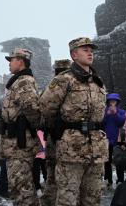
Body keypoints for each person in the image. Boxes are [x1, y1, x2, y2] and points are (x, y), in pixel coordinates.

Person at [40, 37, 108, 206]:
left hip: (97, 150)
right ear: (74, 55)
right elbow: (46, 109)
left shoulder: (98, 81)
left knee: (93, 198)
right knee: (67, 199)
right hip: (72, 150)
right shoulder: (63, 80)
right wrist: (59, 131)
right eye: (85, 49)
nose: (90, 52)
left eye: (91, 50)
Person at [0, 48, 41, 206]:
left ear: (21, 61)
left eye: (12, 60)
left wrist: (26, 128)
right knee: (19, 186)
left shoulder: (23, 81)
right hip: (15, 143)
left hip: (20, 144)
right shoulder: (18, 80)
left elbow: (33, 109)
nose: (9, 63)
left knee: (22, 188)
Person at [41, 59, 72, 206]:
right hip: (69, 138)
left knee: (52, 174)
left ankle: (49, 201)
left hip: (53, 137)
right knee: (67, 175)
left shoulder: (50, 88)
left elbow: (43, 111)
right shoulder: (74, 86)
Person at [103, 93, 126, 187]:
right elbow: (101, 123)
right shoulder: (104, 111)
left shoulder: (121, 112)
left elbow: (121, 123)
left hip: (118, 138)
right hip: (106, 138)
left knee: (118, 159)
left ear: (117, 102)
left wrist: (115, 113)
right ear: (108, 102)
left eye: (114, 100)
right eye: (111, 101)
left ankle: (120, 179)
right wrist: (106, 115)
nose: (112, 102)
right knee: (107, 160)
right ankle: (108, 179)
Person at [32, 129, 47, 197]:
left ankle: (46, 185)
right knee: (36, 172)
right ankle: (38, 188)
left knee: (45, 171)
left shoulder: (45, 129)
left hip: (45, 153)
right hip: (37, 154)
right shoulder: (35, 129)